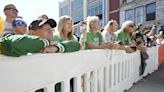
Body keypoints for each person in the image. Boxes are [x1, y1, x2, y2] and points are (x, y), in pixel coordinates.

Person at [0, 18, 81, 57]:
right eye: (46, 29)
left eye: (51, 29)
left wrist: (56, 48)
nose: (51, 32)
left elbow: (76, 45)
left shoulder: (53, 45)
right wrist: (45, 43)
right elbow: (9, 43)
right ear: (32, 33)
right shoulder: (18, 40)